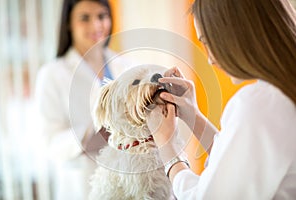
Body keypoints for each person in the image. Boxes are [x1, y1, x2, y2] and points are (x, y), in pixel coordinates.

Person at [146, 0, 296, 199]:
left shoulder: (259, 103)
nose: (210, 59)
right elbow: (243, 163)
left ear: (235, 32)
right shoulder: (278, 96)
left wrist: (168, 149)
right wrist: (193, 117)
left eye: (208, 42)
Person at [35, 0, 133, 199]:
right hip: (82, 186)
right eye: (84, 18)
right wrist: (87, 137)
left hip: (129, 181)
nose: (96, 25)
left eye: (102, 16)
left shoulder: (125, 66)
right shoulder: (53, 74)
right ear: (69, 23)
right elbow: (49, 141)